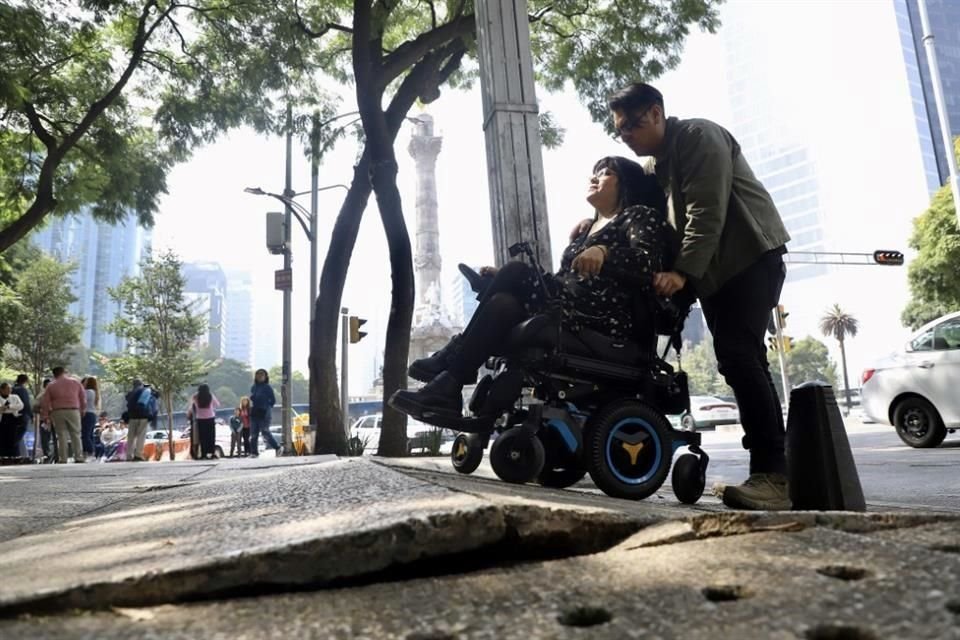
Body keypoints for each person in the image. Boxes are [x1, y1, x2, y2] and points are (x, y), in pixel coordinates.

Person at [607, 82, 792, 510]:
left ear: (656, 113)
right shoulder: (659, 163)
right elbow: (640, 200)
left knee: (739, 357)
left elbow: (707, 212)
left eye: (632, 125)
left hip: (748, 260)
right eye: (619, 131)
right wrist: (597, 222)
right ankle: (775, 471)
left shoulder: (697, 137)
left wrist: (682, 273)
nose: (627, 136)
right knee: (740, 360)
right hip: (717, 273)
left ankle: (774, 477)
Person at [390, 155, 673, 420]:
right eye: (595, 172)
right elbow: (564, 279)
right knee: (503, 303)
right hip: (566, 306)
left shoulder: (638, 216)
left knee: (516, 270)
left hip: (600, 319)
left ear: (626, 185)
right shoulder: (586, 231)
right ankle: (448, 390)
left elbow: (646, 262)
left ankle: (454, 353)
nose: (595, 177)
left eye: (607, 173)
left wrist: (605, 252)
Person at [41, 366, 86, 463]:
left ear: (54, 374)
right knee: (76, 434)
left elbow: (45, 402)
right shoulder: (75, 382)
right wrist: (82, 410)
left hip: (57, 412)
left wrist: (45, 415)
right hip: (73, 411)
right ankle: (78, 456)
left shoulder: (51, 385)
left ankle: (63, 458)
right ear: (64, 372)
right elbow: (82, 397)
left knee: (61, 436)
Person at [249, 369, 280, 458]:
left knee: (265, 431)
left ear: (265, 376)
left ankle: (277, 447)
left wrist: (267, 407)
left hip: (265, 412)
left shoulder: (267, 387)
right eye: (257, 375)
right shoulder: (254, 387)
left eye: (261, 375)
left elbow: (273, 400)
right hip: (255, 411)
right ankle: (254, 452)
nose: (259, 376)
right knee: (253, 433)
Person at [124, 379, 156, 462]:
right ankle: (138, 454)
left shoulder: (131, 393)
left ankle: (129, 455)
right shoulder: (146, 391)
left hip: (132, 417)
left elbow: (127, 400)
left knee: (131, 437)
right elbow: (155, 396)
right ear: (141, 384)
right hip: (143, 416)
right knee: (141, 436)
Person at [187, 384, 220, 459]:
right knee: (211, 436)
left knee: (202, 437)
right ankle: (212, 453)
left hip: (200, 419)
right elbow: (217, 404)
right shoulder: (210, 396)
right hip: (210, 418)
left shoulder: (195, 396)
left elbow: (193, 405)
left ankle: (203, 454)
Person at [0, 383, 26, 458]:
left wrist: (9, 406)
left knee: (13, 438)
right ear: (1, 390)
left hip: (13, 419)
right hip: (2, 420)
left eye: (10, 389)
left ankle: (13, 455)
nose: (9, 390)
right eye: (7, 388)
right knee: (2, 438)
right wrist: (4, 409)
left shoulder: (15, 397)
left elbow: (21, 406)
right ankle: (2, 455)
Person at [11, 375, 32, 459]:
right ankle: (16, 454)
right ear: (25, 381)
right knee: (19, 436)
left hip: (12, 415)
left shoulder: (12, 389)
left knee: (14, 435)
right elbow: (26, 404)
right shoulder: (22, 390)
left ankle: (17, 454)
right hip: (22, 416)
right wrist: (31, 415)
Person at [81, 376, 100, 459]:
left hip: (87, 414)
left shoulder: (87, 392)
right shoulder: (95, 392)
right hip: (92, 414)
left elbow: (82, 401)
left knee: (85, 434)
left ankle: (89, 451)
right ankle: (92, 452)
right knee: (90, 434)